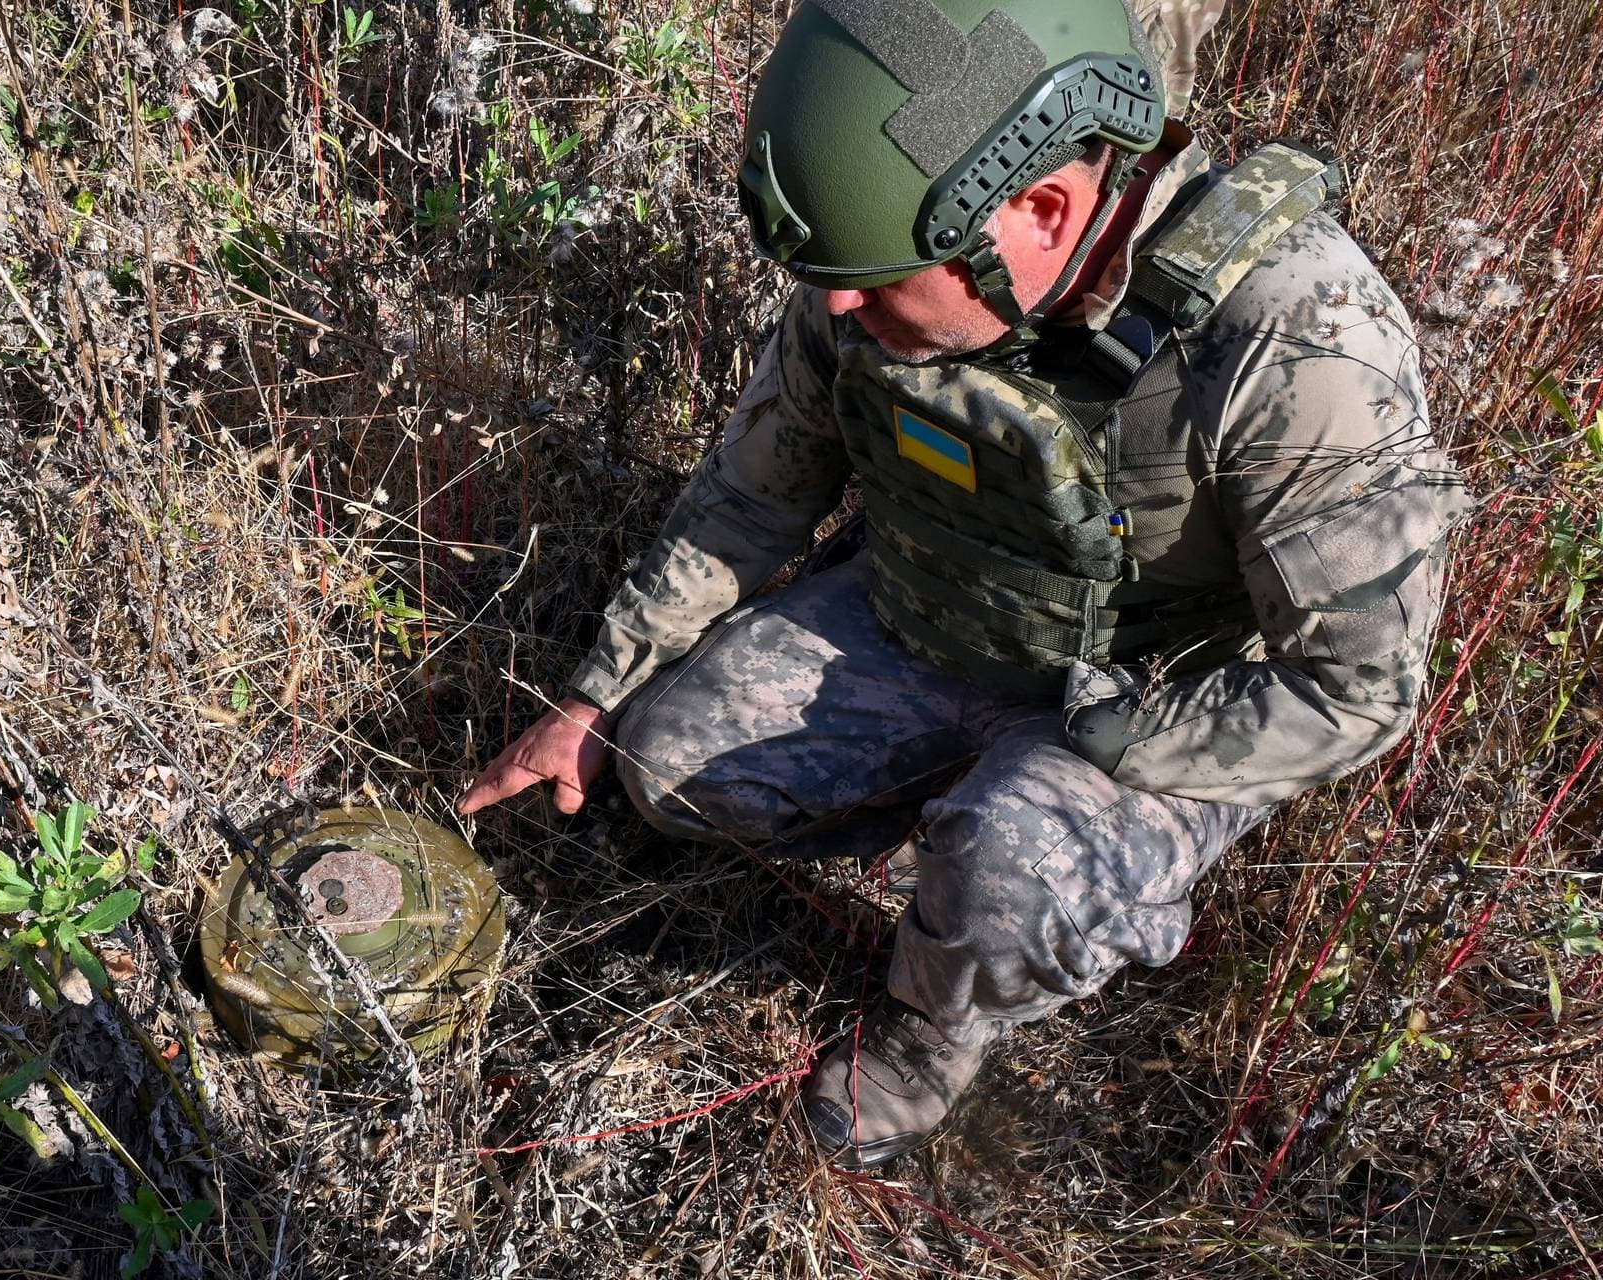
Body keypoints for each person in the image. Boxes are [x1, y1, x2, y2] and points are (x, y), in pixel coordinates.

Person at [458, 0, 1470, 1168]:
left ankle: (933, 1030)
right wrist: (595, 695)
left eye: (875, 281)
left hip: (1156, 694)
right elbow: (753, 495)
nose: (838, 310)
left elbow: (1354, 689)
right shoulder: (883, 259)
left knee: (1015, 861)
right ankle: (950, 817)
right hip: (933, 609)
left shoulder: (1299, 338)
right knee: (665, 766)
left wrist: (1107, 743)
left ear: (1041, 210)